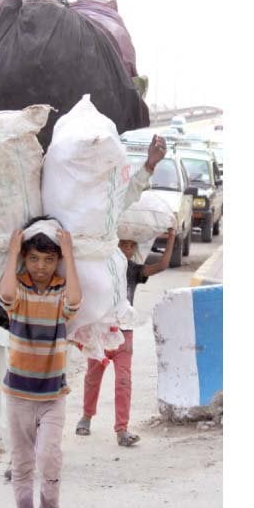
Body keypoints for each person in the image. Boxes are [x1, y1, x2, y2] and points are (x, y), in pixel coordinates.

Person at [75, 134, 169, 447]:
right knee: (93, 375)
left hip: (124, 325)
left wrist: (150, 166)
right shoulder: (93, 242)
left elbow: (130, 193)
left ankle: (121, 429)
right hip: (101, 325)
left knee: (124, 380)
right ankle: (86, 416)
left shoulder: (129, 264)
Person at [0, 216, 81, 508]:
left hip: (52, 398)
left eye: (49, 260)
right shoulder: (20, 290)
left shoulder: (61, 291)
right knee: (22, 466)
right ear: (24, 261)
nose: (41, 267)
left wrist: (70, 255)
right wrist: (13, 251)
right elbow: (3, 294)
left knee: (49, 461)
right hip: (17, 396)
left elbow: (76, 300)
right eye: (34, 259)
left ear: (57, 261)